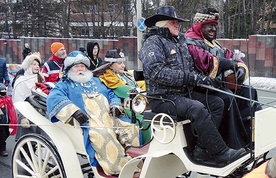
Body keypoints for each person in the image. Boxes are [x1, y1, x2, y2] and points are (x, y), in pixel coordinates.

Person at [139, 5, 246, 164]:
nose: (177, 25)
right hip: (163, 98)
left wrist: (205, 80)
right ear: (162, 24)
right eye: (172, 22)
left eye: (177, 22)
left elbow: (189, 69)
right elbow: (157, 72)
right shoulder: (153, 42)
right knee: (196, 108)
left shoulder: (179, 41)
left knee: (217, 102)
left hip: (181, 94)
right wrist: (190, 78)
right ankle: (221, 152)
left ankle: (201, 150)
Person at [47, 51, 139, 175]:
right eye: (76, 66)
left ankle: (137, 165)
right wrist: (73, 111)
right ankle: (119, 170)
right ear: (69, 68)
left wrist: (115, 104)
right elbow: (54, 98)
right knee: (104, 134)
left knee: (131, 127)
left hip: (110, 117)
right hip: (90, 122)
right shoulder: (64, 85)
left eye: (82, 66)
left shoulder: (96, 81)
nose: (80, 69)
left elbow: (111, 93)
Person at [185, 7, 262, 148]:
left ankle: (251, 135)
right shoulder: (191, 42)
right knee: (227, 97)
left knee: (249, 92)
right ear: (199, 25)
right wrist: (228, 63)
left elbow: (231, 55)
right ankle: (232, 143)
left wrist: (240, 68)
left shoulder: (214, 42)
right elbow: (206, 63)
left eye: (215, 26)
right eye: (209, 25)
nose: (213, 29)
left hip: (216, 86)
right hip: (201, 88)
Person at [93, 49, 150, 144]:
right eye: (120, 63)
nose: (123, 65)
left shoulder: (125, 74)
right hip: (125, 109)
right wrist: (144, 92)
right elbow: (124, 91)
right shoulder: (108, 76)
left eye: (123, 62)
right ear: (111, 65)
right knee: (144, 121)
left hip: (137, 104)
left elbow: (136, 85)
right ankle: (145, 149)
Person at [12, 53, 44, 141]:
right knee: (26, 140)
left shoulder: (41, 79)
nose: (37, 66)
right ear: (28, 66)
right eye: (34, 64)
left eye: (38, 64)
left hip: (40, 113)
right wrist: (22, 116)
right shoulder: (21, 81)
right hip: (27, 113)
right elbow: (18, 99)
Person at [0, 83, 17, 156]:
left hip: (7, 121)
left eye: (4, 89)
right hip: (1, 122)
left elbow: (11, 110)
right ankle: (2, 149)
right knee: (2, 135)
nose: (4, 91)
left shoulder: (7, 99)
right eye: (2, 90)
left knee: (7, 134)